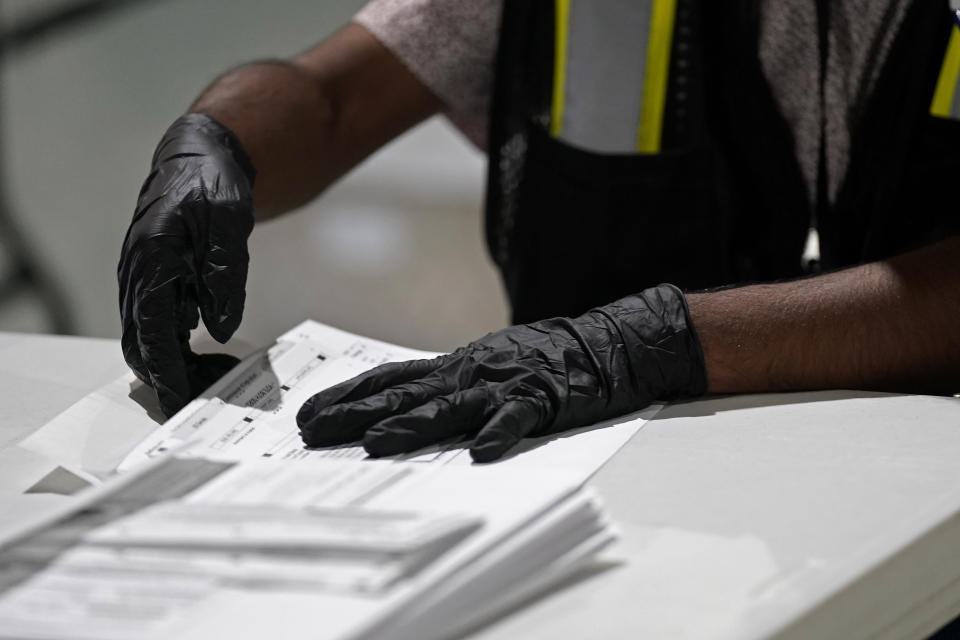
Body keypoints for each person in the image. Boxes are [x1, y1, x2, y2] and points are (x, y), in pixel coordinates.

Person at [118, 0, 960, 463]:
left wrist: (649, 344)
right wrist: (214, 144)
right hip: (585, 472)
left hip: (915, 486)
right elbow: (330, 100)